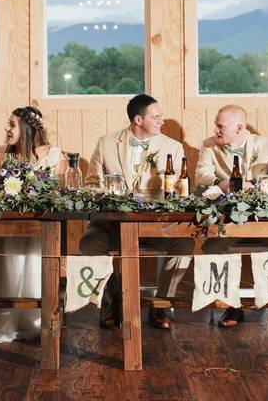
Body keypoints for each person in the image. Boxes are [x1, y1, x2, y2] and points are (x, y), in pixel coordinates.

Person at [80, 94, 192, 329]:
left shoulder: (173, 147)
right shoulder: (107, 143)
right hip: (113, 224)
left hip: (156, 225)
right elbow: (90, 185)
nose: (162, 120)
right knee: (89, 244)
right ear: (138, 120)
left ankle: (161, 304)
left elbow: (179, 191)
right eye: (156, 116)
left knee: (184, 245)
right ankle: (114, 301)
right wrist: (110, 198)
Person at [0, 106, 68, 343]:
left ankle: (38, 317)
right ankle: (0, 316)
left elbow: (58, 196)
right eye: (7, 124)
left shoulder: (56, 157)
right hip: (4, 229)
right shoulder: (0, 154)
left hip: (39, 231)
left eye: (11, 124)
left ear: (27, 128)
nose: (6, 129)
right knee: (4, 263)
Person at [194, 104, 268, 326]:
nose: (215, 130)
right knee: (211, 248)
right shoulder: (208, 146)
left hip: (266, 225)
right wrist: (220, 183)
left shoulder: (267, 144)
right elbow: (200, 176)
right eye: (215, 125)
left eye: (220, 126)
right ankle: (231, 306)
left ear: (239, 128)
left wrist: (258, 183)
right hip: (230, 225)